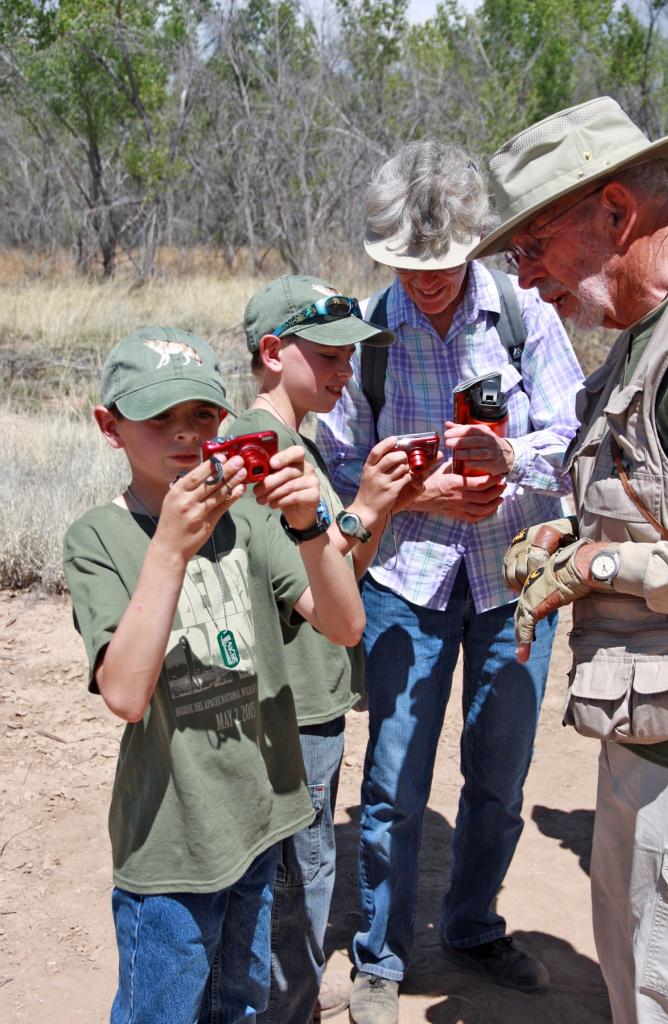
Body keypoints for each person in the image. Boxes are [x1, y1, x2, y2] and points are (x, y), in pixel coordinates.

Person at [315, 141, 584, 1023]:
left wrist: (507, 460)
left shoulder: (522, 316)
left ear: (476, 247)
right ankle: (381, 958)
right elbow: (339, 458)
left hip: (511, 581)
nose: (426, 286)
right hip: (404, 580)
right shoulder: (365, 337)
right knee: (393, 780)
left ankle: (472, 926)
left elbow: (571, 435)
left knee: (499, 773)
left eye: (442, 269)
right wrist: (414, 491)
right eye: (406, 270)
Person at [63, 325, 365, 1024]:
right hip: (171, 841)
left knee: (240, 1004)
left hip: (257, 818)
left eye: (201, 416)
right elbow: (126, 694)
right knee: (162, 1009)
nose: (185, 436)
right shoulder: (98, 538)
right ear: (110, 427)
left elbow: (343, 625)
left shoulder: (251, 520)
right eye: (158, 419)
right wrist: (168, 547)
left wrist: (310, 522)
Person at [469, 96, 668, 1024]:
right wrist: (572, 535)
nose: (526, 283)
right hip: (650, 746)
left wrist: (600, 569)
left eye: (533, 249)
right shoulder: (642, 346)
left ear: (614, 214)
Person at [232, 274, 420, 1024]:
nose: (346, 372)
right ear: (273, 352)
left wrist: (372, 508)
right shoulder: (265, 457)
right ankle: (288, 1004)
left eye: (351, 357)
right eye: (329, 356)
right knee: (295, 873)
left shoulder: (294, 446)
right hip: (291, 699)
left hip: (310, 694)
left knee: (302, 865)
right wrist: (369, 506)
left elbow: (337, 577)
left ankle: (295, 992)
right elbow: (307, 596)